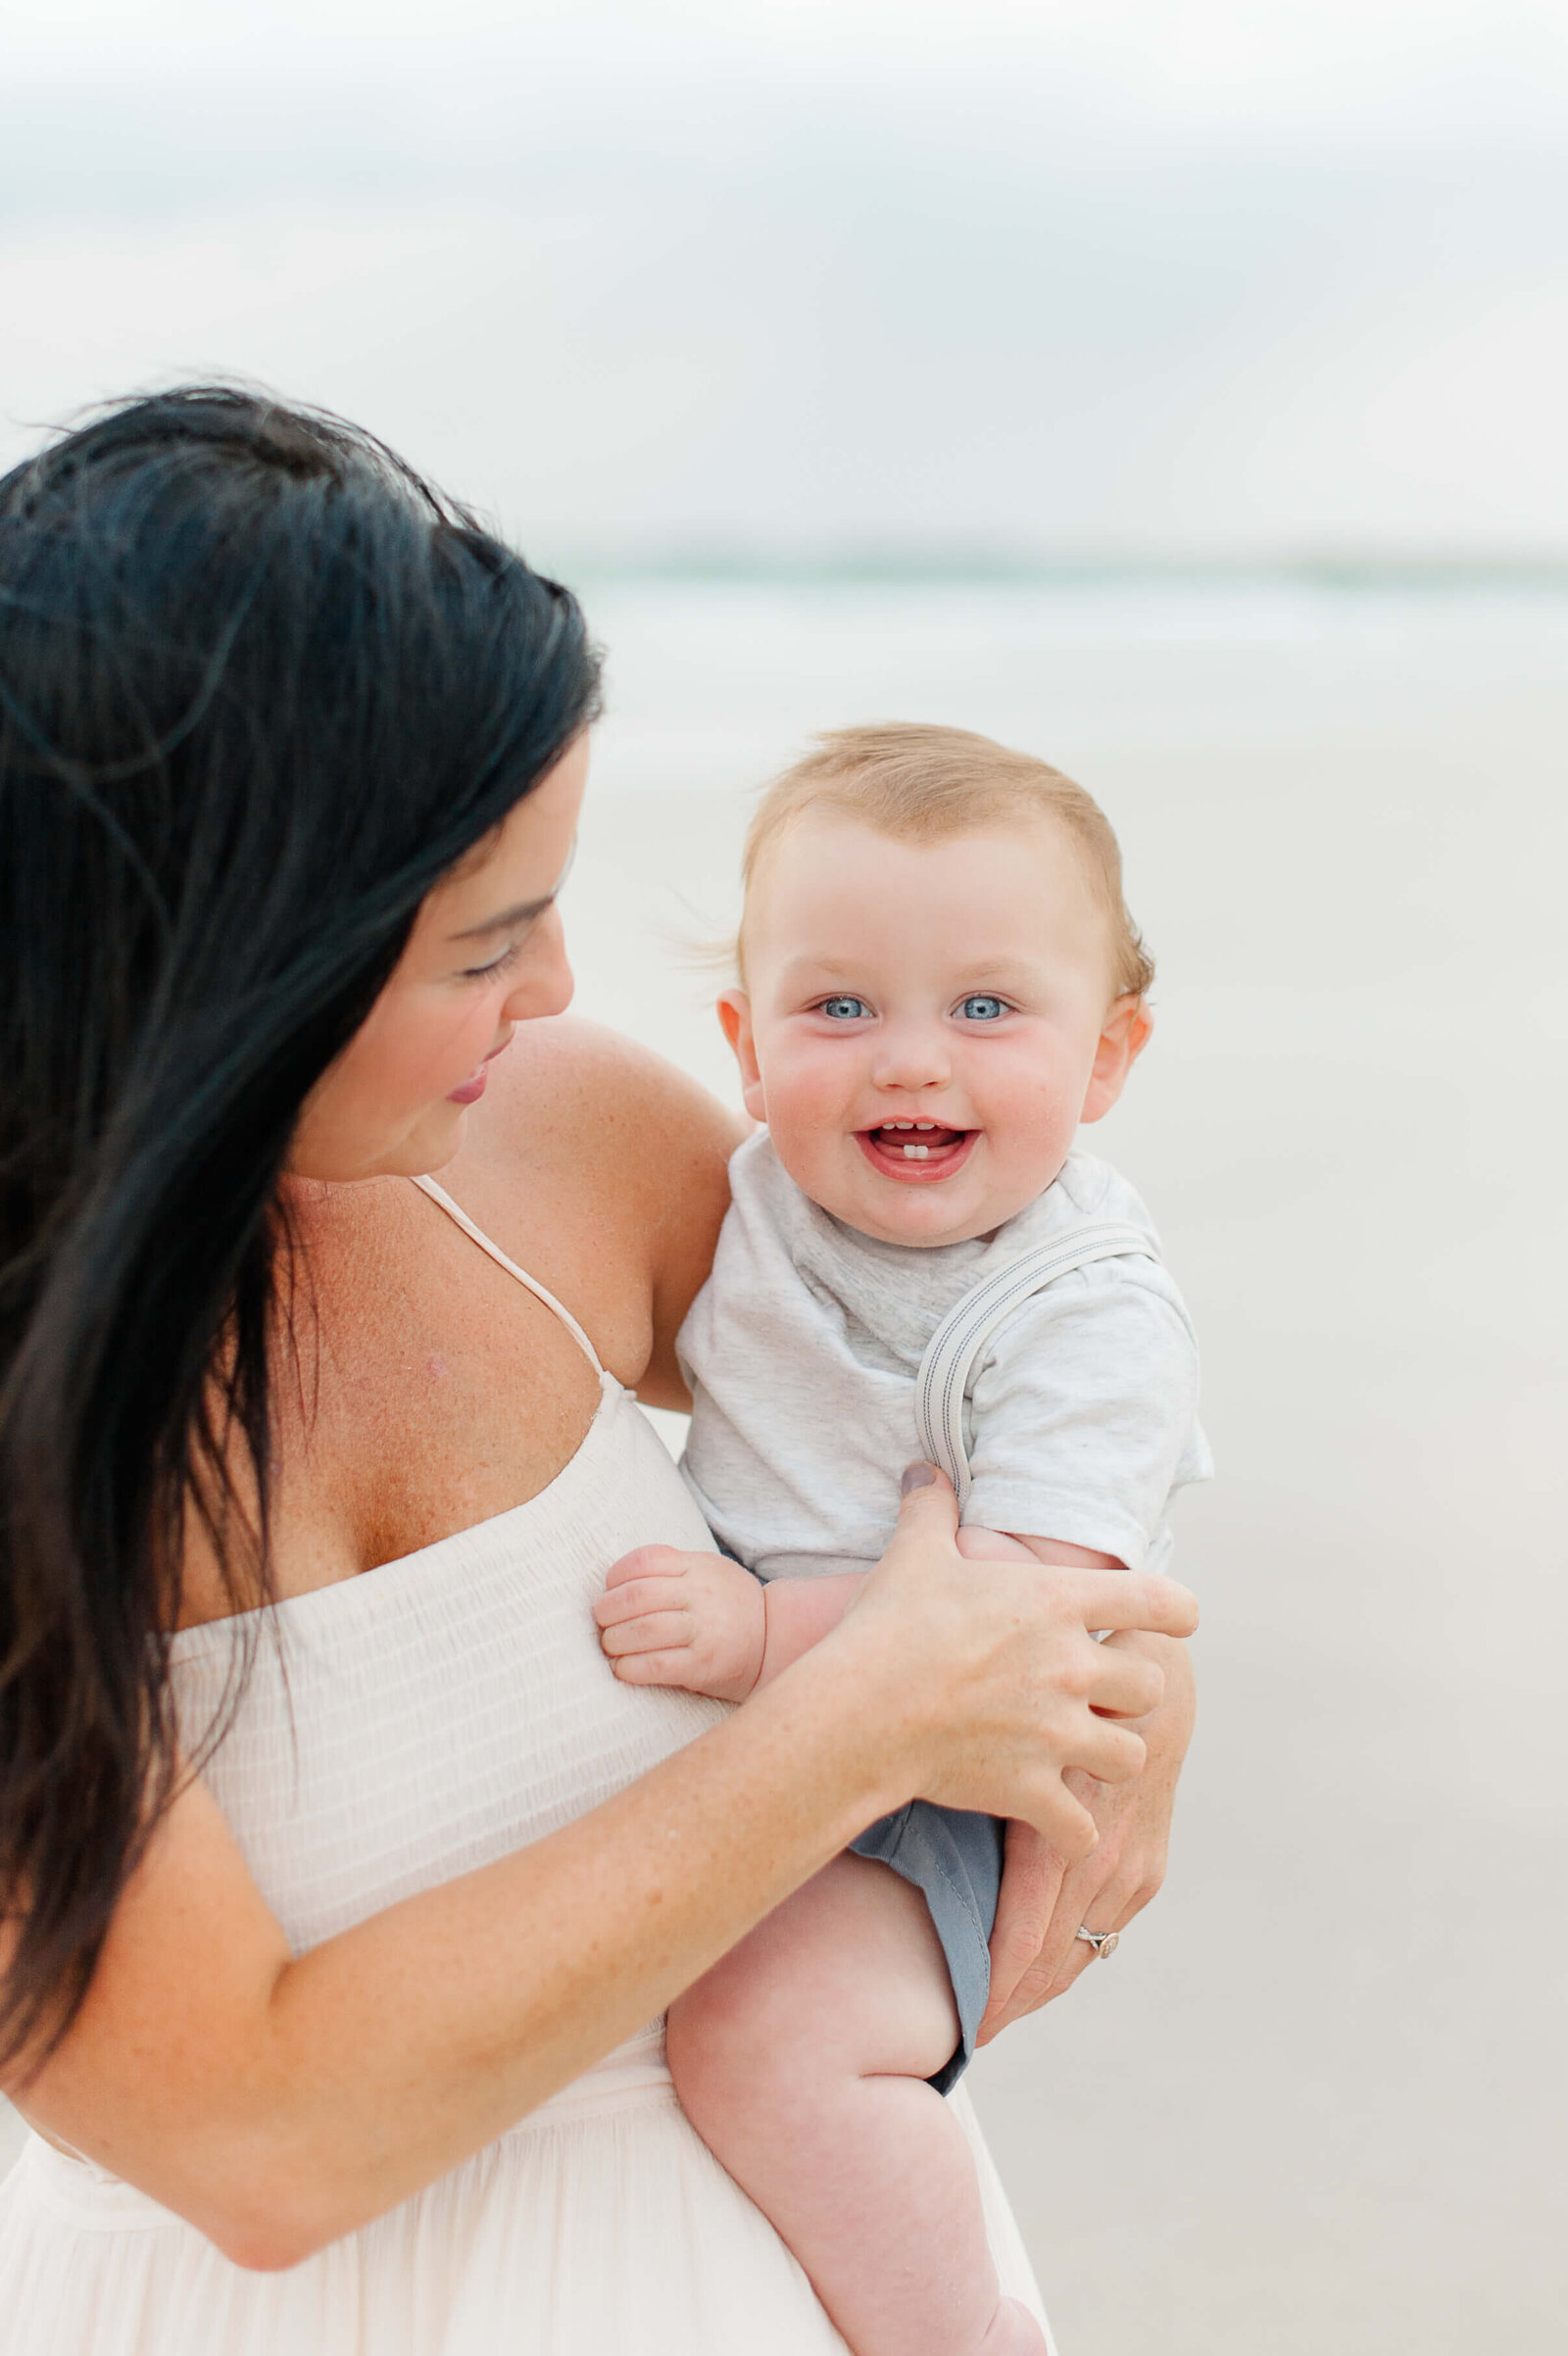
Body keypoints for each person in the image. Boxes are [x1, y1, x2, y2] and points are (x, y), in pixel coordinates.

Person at [0, 388, 1198, 2356]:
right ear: (219, 958)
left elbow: (997, 1350)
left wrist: (1112, 1649)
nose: (554, 991)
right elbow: (251, 2133)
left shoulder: (540, 1137)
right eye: (483, 942)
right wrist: (864, 1706)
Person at [594, 725, 1209, 2355]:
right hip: (791, 1721)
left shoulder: (1085, 1315)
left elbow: (1022, 1636)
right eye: (840, 1006)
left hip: (935, 1780)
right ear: (741, 1040)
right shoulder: (759, 1196)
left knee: (765, 2038)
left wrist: (750, 1640)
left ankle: (955, 2333)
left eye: (988, 1009)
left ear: (1109, 1058)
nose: (911, 1061)